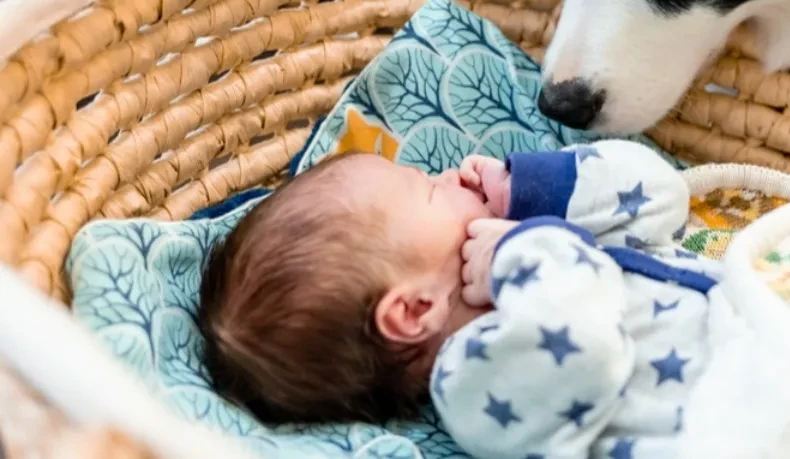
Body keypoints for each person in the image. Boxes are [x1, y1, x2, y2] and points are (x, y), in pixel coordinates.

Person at [199, 139, 720, 458]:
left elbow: (661, 200)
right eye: (427, 187)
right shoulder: (473, 380)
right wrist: (522, 246)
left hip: (773, 325)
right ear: (414, 310)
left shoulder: (546, 253)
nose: (450, 174)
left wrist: (534, 191)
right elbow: (586, 347)